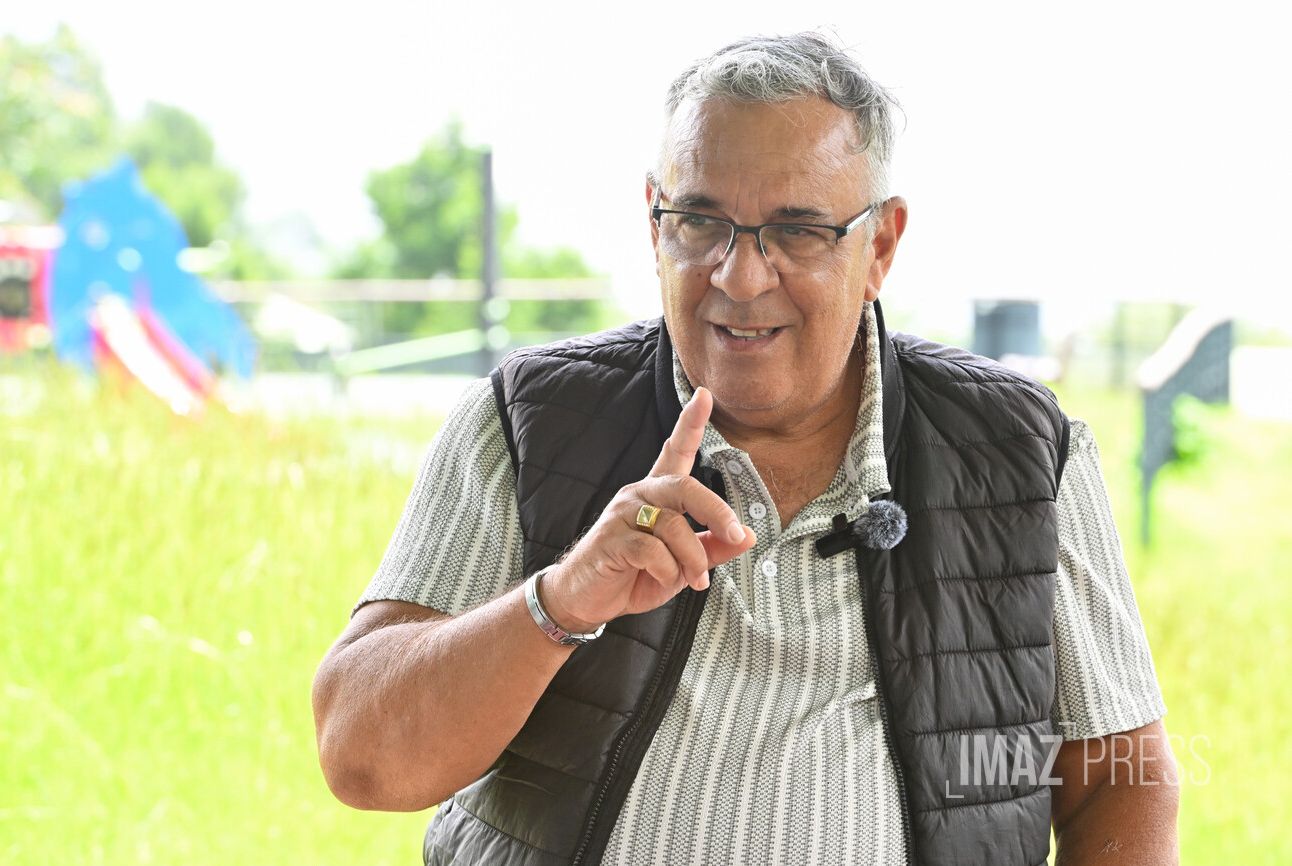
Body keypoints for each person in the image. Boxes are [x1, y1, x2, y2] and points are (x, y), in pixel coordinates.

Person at [313, 32, 1178, 866]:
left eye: (797, 231)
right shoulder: (526, 420)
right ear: (654, 224)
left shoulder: (1023, 451)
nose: (739, 275)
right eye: (700, 221)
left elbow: (1120, 777)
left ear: (879, 246)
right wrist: (560, 601)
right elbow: (364, 762)